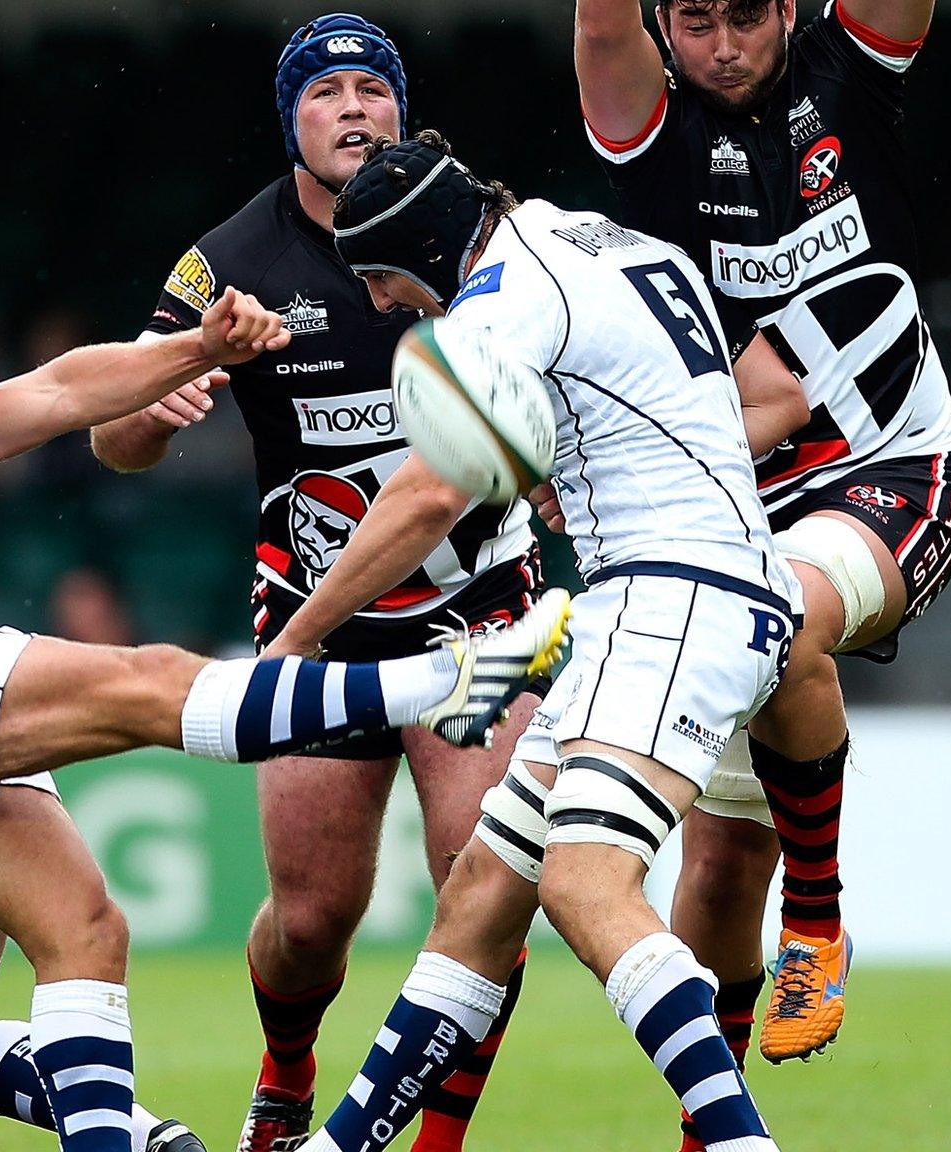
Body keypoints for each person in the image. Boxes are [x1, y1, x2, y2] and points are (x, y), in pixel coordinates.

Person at [0, 210, 569, 1152]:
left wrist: (196, 347)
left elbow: (57, 393)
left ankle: (120, 1135)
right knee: (149, 683)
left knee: (40, 952)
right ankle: (435, 684)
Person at [279, 132, 802, 1152]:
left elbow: (428, 491)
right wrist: (597, 463)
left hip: (669, 600)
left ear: (424, 247)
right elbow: (765, 395)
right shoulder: (598, 237)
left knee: (580, 882)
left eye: (383, 279)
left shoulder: (501, 291)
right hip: (668, 595)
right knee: (480, 892)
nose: (386, 306)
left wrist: (297, 638)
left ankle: (740, 1143)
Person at [91, 20, 543, 1151]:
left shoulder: (478, 234)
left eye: (371, 91)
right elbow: (111, 441)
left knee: (483, 888)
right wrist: (150, 410)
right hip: (318, 628)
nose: (353, 110)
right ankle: (284, 1081)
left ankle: (435, 1142)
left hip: (478, 609)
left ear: (402, 108)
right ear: (288, 118)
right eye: (326, 92)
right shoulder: (226, 261)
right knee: (308, 921)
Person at [573, 0, 951, 1071]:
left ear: (786, 9)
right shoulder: (654, 142)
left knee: (786, 618)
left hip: (899, 472)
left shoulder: (846, 74)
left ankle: (817, 920)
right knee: (709, 878)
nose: (721, 44)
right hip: (736, 521)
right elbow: (601, 27)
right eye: (693, 21)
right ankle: (715, 1123)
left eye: (743, 15)